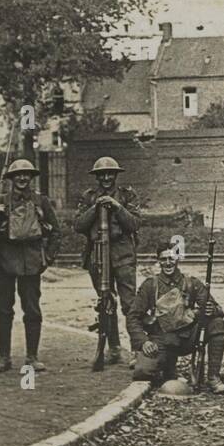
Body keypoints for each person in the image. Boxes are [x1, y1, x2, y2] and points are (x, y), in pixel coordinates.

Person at [126, 241, 224, 393]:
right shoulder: (151, 285)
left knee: (217, 323)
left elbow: (216, 308)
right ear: (159, 261)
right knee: (143, 372)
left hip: (188, 338)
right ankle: (168, 369)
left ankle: (213, 378)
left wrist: (212, 310)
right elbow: (133, 317)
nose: (168, 263)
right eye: (163, 259)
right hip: (161, 339)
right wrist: (143, 342)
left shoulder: (191, 283)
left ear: (178, 259)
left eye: (171, 258)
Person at [0, 158, 60, 373]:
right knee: (2, 309)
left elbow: (55, 231)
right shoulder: (1, 200)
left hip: (31, 263)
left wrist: (48, 256)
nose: (22, 178)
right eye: (17, 175)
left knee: (32, 310)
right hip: (4, 262)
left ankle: (32, 357)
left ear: (31, 178)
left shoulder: (41, 201)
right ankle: (3, 357)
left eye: (26, 174)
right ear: (11, 179)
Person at [73, 156, 140, 367]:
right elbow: (78, 225)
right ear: (97, 177)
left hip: (122, 253)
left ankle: (137, 349)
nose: (107, 178)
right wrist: (95, 207)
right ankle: (113, 348)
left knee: (130, 304)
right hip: (98, 254)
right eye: (102, 174)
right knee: (105, 301)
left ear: (116, 175)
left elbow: (134, 224)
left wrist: (117, 206)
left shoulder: (127, 195)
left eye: (111, 173)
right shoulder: (88, 197)